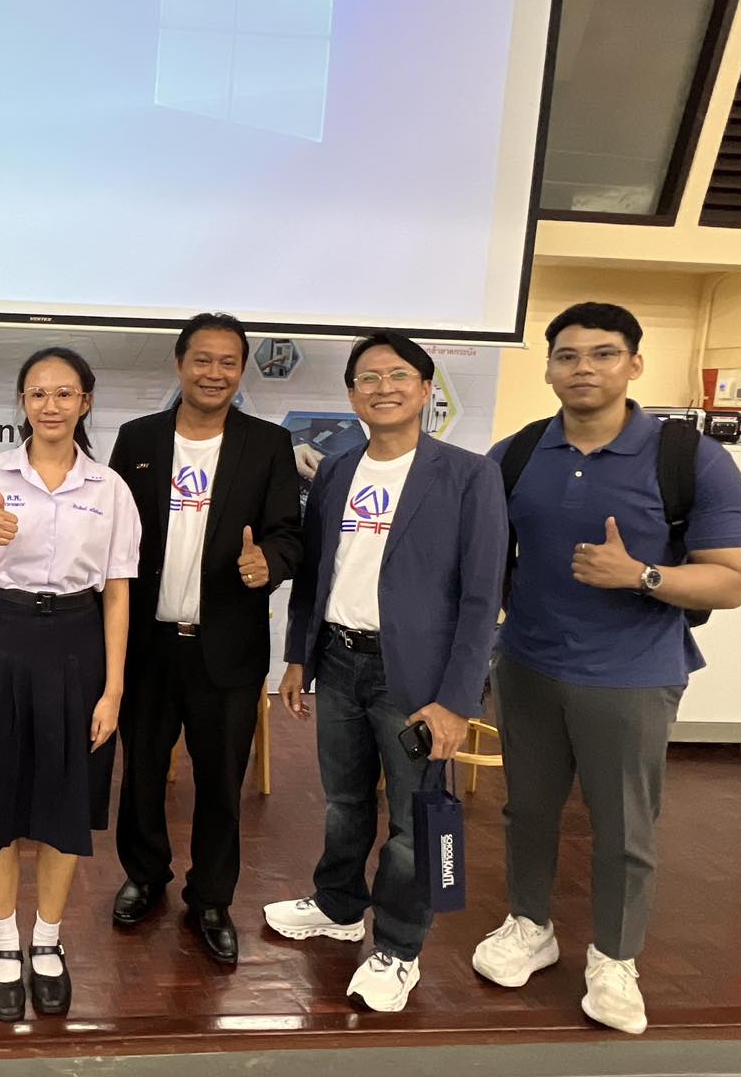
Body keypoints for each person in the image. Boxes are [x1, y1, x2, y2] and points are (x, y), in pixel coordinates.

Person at [471, 302, 741, 1034]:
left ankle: (615, 957)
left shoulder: (689, 459)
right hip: (528, 665)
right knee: (528, 809)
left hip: (632, 675)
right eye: (567, 356)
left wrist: (641, 576)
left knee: (625, 826)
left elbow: (731, 581)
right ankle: (529, 926)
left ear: (634, 364)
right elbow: (485, 560)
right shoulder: (516, 454)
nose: (584, 369)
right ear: (548, 369)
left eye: (603, 354)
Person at [262, 331, 508, 1013]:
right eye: (367, 378)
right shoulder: (337, 471)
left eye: (398, 376)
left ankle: (399, 948)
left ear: (426, 390)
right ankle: (339, 905)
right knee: (342, 802)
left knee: (412, 821)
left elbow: (482, 598)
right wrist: (298, 656)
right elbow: (316, 572)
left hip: (419, 680)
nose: (383, 388)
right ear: (351, 396)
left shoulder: (468, 475)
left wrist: (457, 700)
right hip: (340, 662)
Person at [107, 312, 301, 963]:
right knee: (141, 774)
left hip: (228, 647)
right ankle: (144, 876)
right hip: (147, 645)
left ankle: (212, 898)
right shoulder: (138, 439)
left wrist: (269, 563)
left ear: (241, 371)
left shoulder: (268, 444)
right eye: (203, 359)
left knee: (221, 783)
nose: (214, 373)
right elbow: (111, 535)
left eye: (228, 362)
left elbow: (288, 533)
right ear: (180, 363)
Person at [0, 347, 138, 1022]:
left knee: (66, 798)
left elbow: (116, 594)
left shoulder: (109, 488)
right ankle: (4, 941)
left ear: (86, 402)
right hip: (3, 639)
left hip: (77, 645)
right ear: (22, 402)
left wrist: (113, 689)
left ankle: (47, 940)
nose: (50, 406)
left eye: (64, 393)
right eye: (37, 393)